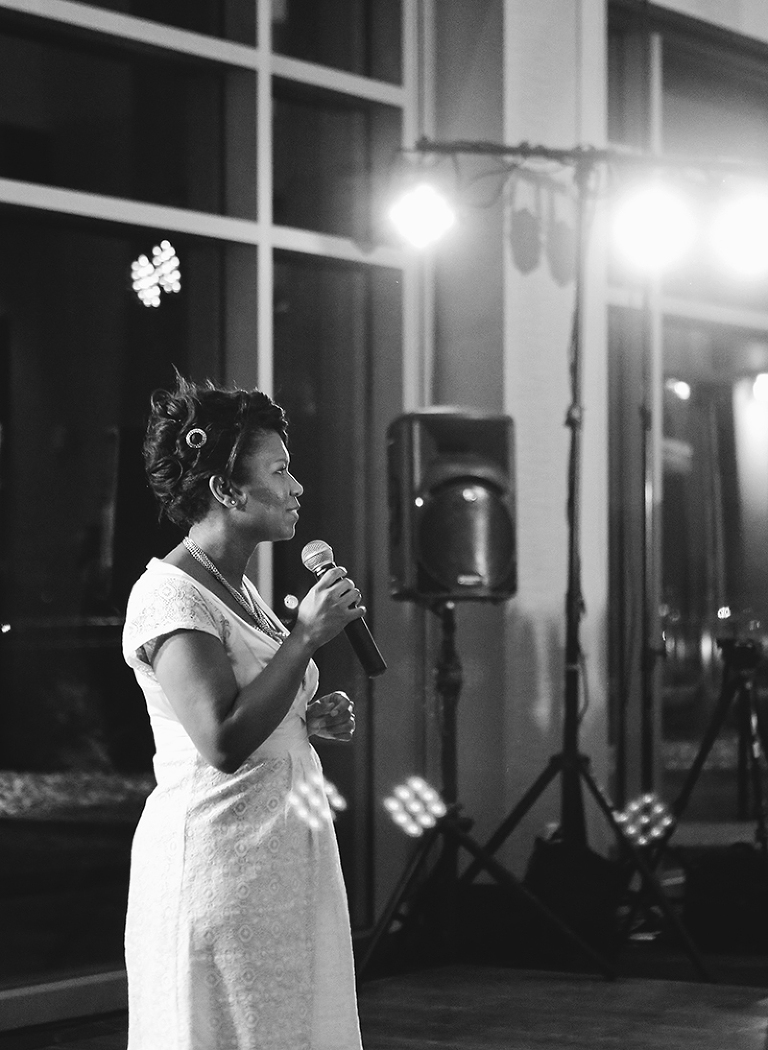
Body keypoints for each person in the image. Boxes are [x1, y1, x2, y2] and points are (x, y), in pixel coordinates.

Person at [121, 373, 365, 1050]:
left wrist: (301, 718)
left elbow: (256, 706)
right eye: (280, 471)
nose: (297, 488)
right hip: (218, 869)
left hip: (278, 862)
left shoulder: (239, 587)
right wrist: (306, 637)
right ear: (227, 490)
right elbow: (222, 739)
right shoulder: (170, 595)